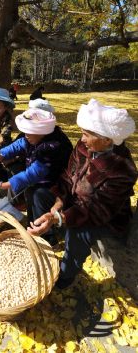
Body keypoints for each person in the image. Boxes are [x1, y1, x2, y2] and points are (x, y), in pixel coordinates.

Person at [27, 99, 137, 289]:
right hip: (77, 203)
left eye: (86, 134)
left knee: (79, 230)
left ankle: (65, 276)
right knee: (39, 195)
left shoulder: (122, 169)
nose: (82, 139)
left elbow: (96, 211)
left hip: (106, 218)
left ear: (107, 140)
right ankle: (47, 241)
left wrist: (58, 218)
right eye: (82, 134)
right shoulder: (83, 147)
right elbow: (68, 178)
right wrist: (58, 204)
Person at [0, 107, 73, 245]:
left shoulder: (53, 146)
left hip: (59, 184)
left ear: (41, 132)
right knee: (30, 191)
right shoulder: (34, 136)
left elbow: (32, 174)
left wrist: (2, 186)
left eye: (29, 132)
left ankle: (47, 238)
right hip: (43, 179)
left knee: (38, 194)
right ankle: (33, 226)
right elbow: (18, 145)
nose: (25, 135)